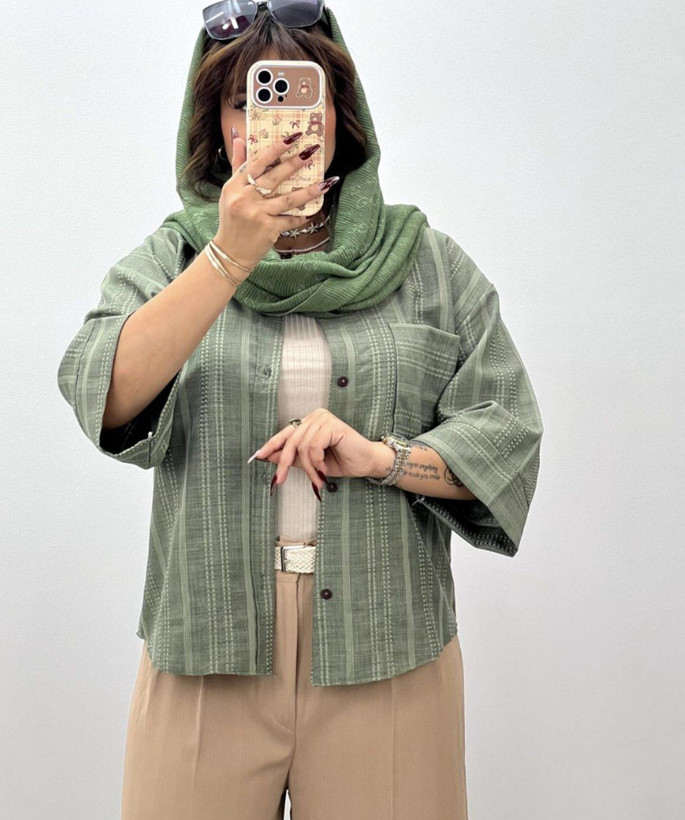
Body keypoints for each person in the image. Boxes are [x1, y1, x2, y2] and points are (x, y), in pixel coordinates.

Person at [57, 3, 544, 818]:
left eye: (298, 95)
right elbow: (101, 393)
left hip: (387, 645)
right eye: (247, 99)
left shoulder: (427, 263)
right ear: (216, 128)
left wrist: (383, 456)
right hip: (207, 643)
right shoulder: (173, 258)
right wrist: (229, 254)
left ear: (340, 116)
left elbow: (507, 432)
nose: (274, 121)